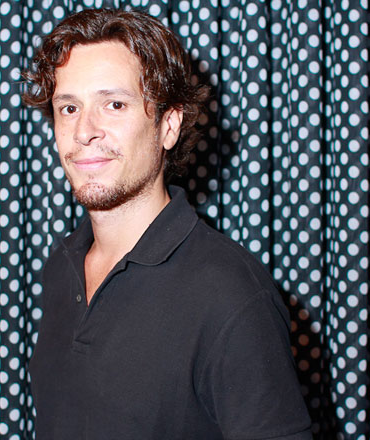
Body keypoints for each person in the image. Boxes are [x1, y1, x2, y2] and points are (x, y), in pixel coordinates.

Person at [22, 8, 312, 439]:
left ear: (168, 126)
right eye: (69, 107)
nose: (84, 131)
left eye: (114, 104)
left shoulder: (230, 293)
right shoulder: (61, 266)